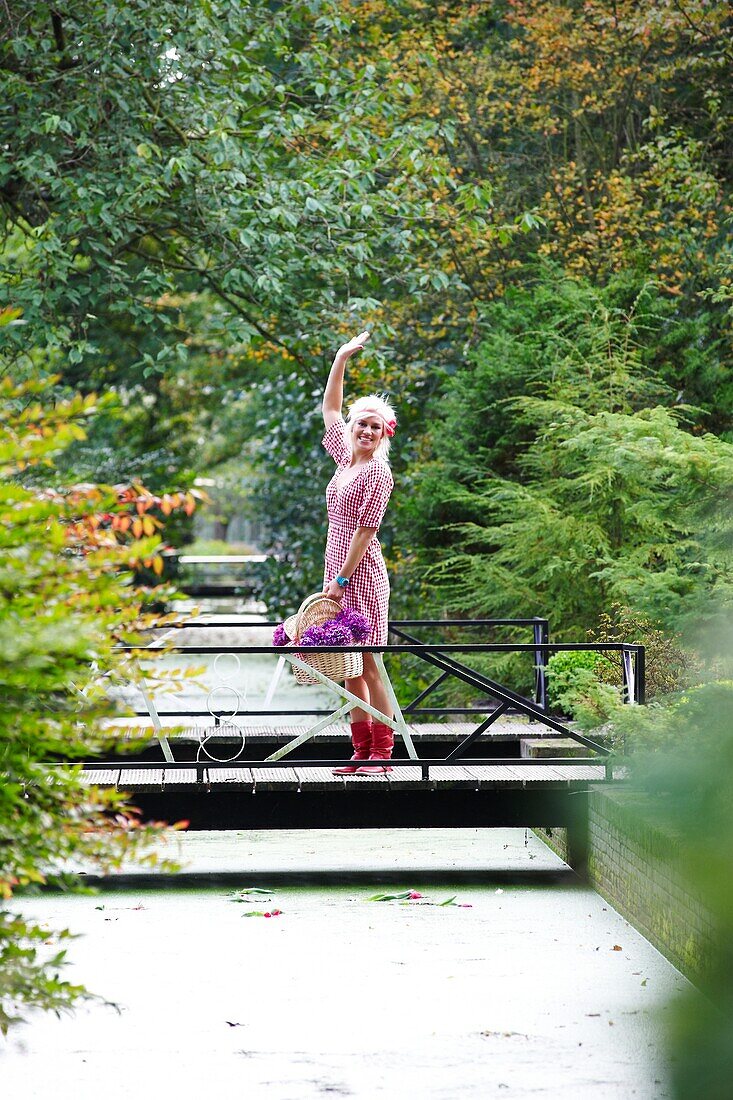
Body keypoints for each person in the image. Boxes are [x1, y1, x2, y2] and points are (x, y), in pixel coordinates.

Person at [321, 331, 397, 775]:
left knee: (368, 663)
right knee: (348, 665)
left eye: (373, 426)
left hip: (360, 574)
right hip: (335, 568)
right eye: (360, 424)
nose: (364, 431)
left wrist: (342, 579)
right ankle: (359, 752)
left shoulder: (377, 473)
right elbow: (331, 407)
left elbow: (367, 531)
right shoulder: (345, 461)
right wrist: (341, 357)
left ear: (382, 434)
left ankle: (382, 755)